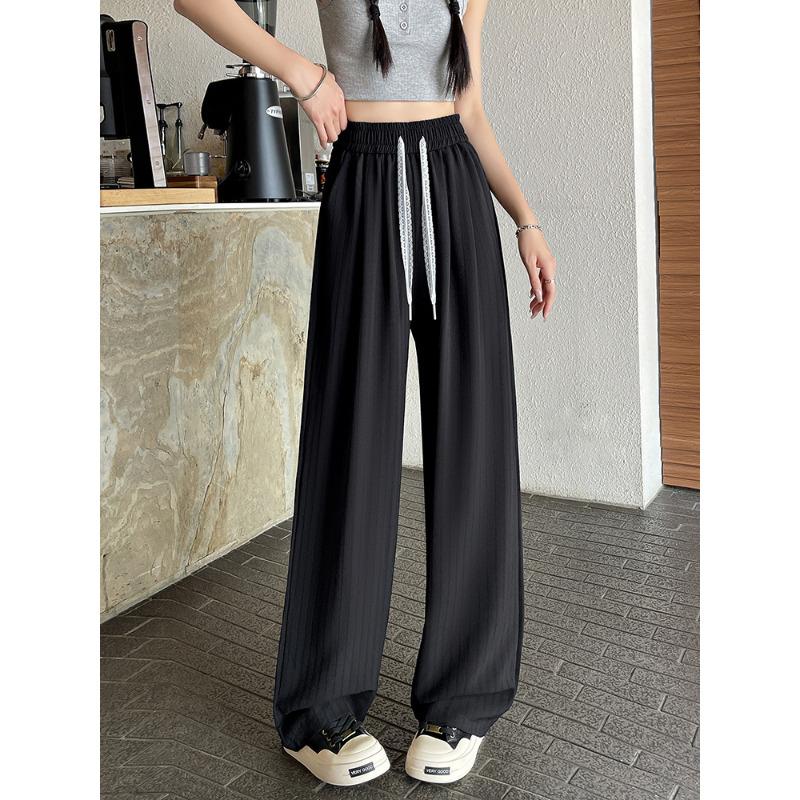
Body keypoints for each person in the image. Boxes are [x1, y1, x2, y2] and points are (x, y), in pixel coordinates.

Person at [174, 0, 557, 787]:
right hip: (366, 181)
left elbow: (469, 109)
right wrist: (304, 74)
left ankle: (465, 698)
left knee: (476, 442)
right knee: (352, 442)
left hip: (456, 186)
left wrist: (525, 219)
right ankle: (320, 709)